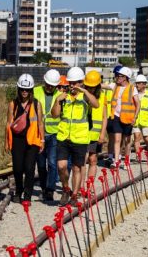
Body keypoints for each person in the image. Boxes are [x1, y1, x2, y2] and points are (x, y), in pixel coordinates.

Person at [51, 67, 97, 204]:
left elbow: (96, 104)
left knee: (77, 168)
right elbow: (54, 115)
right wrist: (57, 101)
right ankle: (66, 188)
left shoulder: (85, 97)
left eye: (75, 83)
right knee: (61, 166)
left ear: (81, 82)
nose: (72, 86)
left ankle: (74, 195)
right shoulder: (62, 97)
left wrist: (84, 91)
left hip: (80, 138)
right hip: (63, 137)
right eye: (70, 83)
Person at [7, 74, 45, 202]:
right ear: (18, 89)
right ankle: (18, 191)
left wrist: (42, 140)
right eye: (22, 89)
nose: (24, 92)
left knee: (29, 169)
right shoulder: (13, 104)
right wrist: (6, 142)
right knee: (17, 168)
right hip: (17, 140)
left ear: (31, 90)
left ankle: (27, 195)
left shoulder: (36, 104)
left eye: (27, 89)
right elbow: (8, 124)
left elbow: (40, 123)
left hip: (32, 141)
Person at [33, 69, 62, 201]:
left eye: (53, 85)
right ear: (44, 81)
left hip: (54, 133)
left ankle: (50, 189)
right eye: (48, 84)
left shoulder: (60, 96)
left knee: (52, 163)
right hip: (39, 134)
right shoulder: (35, 91)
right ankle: (44, 187)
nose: (50, 87)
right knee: (40, 164)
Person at [108, 65, 139, 166]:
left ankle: (127, 160)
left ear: (125, 77)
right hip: (116, 117)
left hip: (128, 118)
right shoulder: (115, 86)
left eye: (119, 76)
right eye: (117, 76)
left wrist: (135, 117)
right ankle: (116, 161)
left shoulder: (132, 89)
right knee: (117, 139)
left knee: (127, 141)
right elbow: (103, 86)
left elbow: (138, 104)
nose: (117, 77)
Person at [86, 70, 109, 171]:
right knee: (83, 160)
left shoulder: (103, 96)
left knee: (93, 159)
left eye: (92, 86)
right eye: (88, 86)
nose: (90, 89)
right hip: (82, 133)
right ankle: (81, 185)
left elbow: (104, 117)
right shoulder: (82, 95)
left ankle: (89, 185)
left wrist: (102, 134)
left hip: (95, 134)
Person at [132, 74, 148, 152]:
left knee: (146, 138)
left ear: (144, 84)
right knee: (136, 137)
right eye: (136, 83)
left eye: (138, 83)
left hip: (146, 120)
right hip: (136, 119)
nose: (137, 85)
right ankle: (138, 156)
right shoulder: (134, 94)